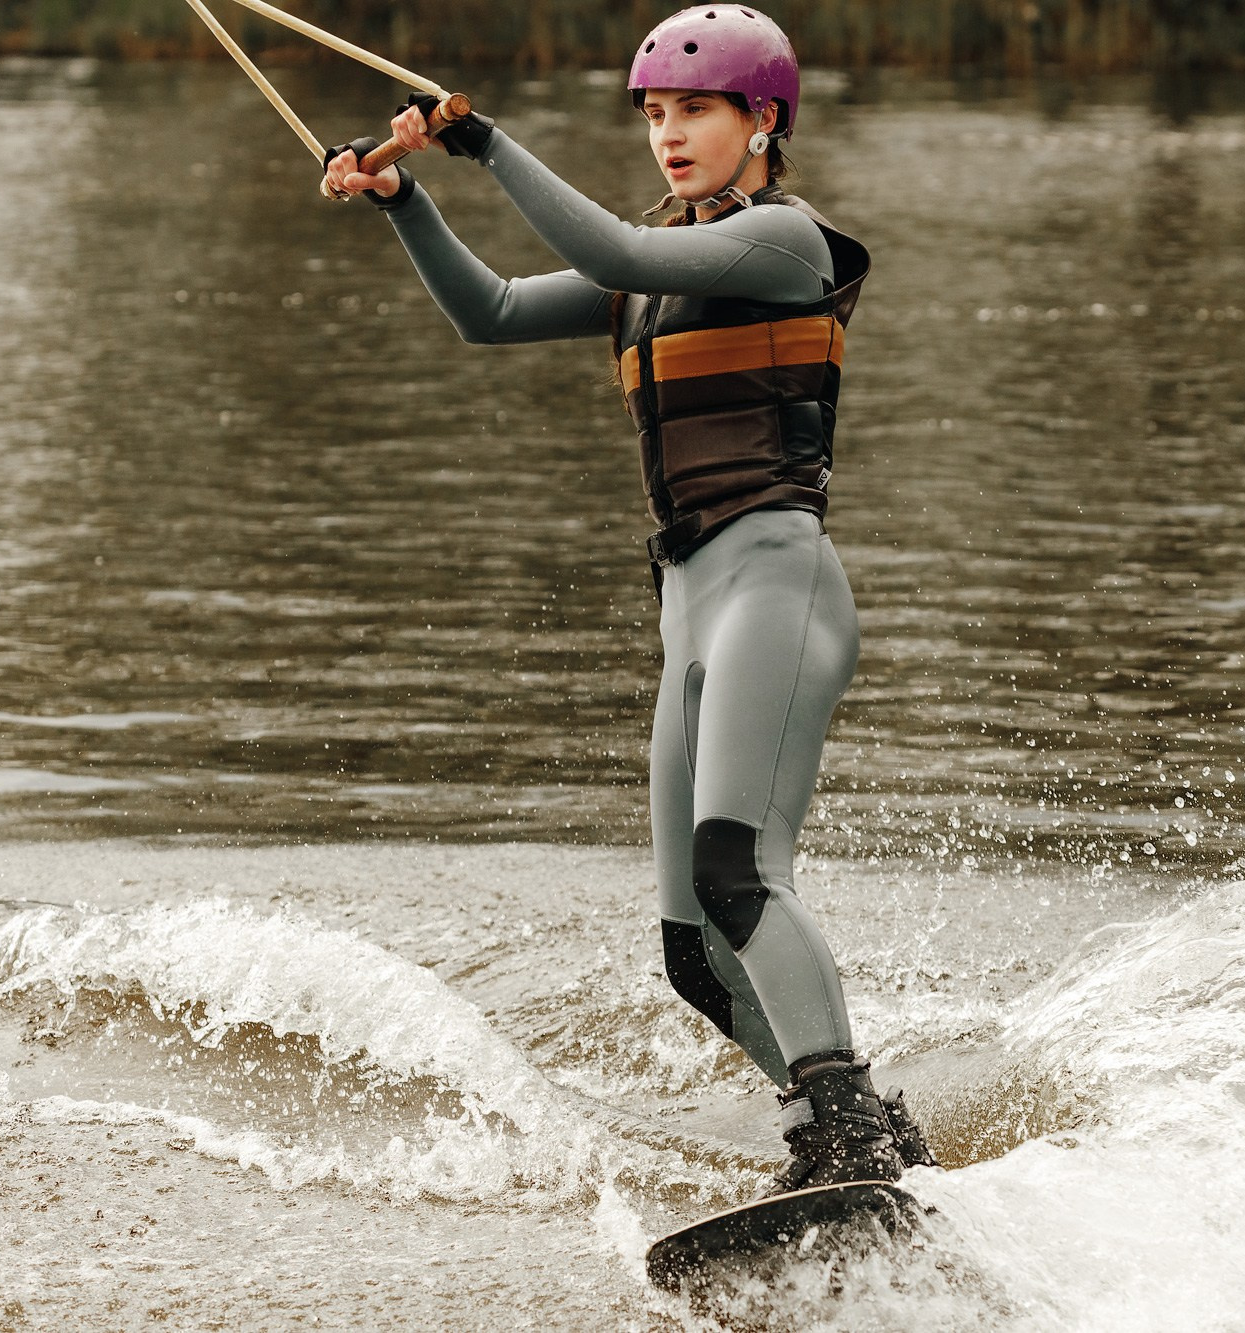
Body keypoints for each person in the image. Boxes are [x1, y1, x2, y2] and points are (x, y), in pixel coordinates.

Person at [321, 4, 933, 1195]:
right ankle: (841, 1111)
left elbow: (613, 248)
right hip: (687, 606)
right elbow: (488, 311)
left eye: (693, 111)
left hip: (774, 582)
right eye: (654, 114)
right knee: (692, 951)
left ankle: (844, 1128)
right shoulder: (646, 286)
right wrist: (408, 201)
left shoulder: (786, 245)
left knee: (735, 870)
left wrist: (487, 145)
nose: (668, 135)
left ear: (762, 121)